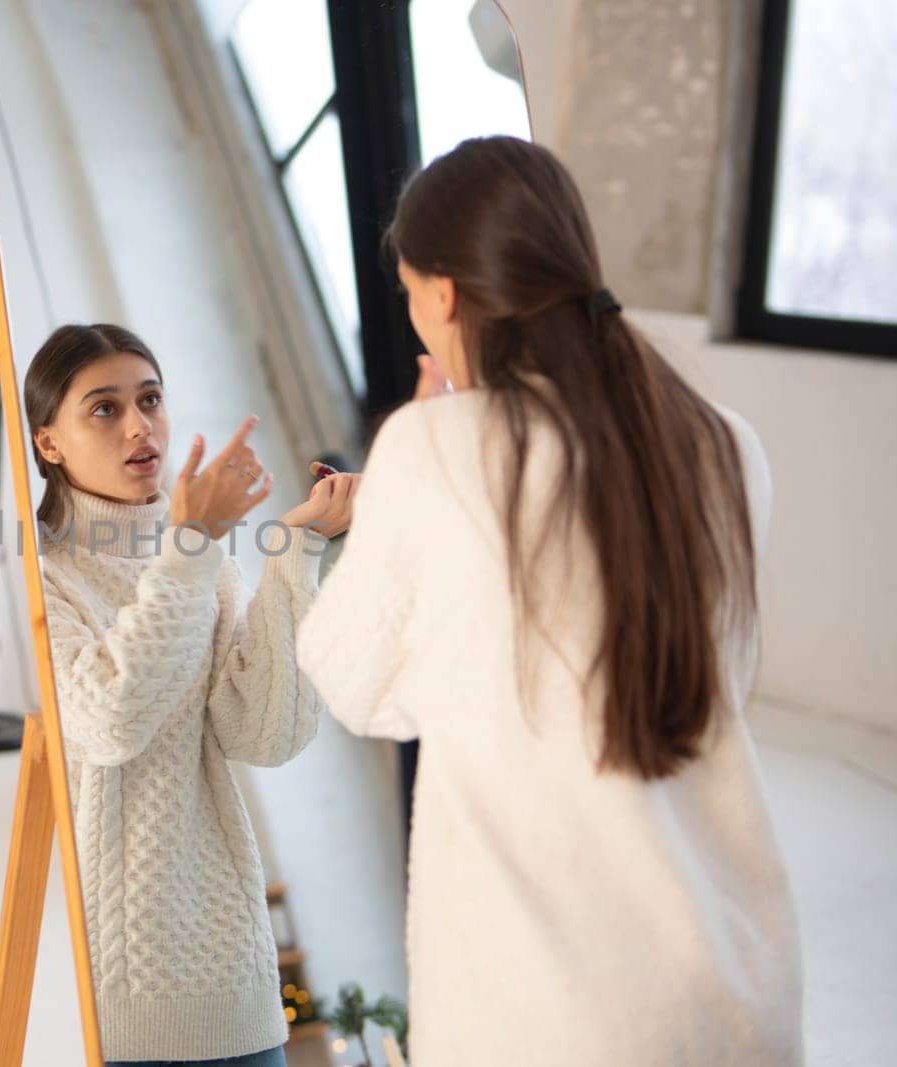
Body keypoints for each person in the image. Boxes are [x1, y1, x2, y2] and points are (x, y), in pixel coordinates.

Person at [295, 135, 803, 1066]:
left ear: (444, 294)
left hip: (546, 1014)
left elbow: (359, 687)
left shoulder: (435, 448)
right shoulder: (726, 443)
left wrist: (398, 478)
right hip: (734, 990)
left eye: (411, 295)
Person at [24, 323, 357, 1067]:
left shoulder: (202, 563)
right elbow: (111, 717)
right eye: (104, 408)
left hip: (235, 985)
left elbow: (264, 734)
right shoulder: (43, 577)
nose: (140, 425)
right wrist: (192, 545)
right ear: (49, 442)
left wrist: (297, 551)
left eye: (150, 398)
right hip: (111, 1007)